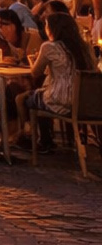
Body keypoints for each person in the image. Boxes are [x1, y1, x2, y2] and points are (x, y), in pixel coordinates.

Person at [18, 11, 97, 152]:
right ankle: (46, 139)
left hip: (62, 101)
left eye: (46, 26)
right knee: (39, 95)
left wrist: (34, 60)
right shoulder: (86, 48)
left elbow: (35, 73)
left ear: (53, 29)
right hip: (86, 103)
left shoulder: (49, 47)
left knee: (26, 99)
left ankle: (32, 137)